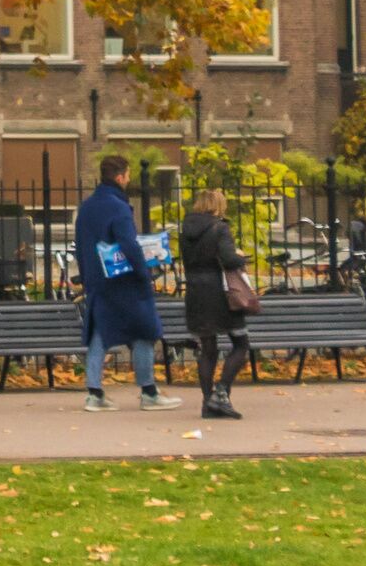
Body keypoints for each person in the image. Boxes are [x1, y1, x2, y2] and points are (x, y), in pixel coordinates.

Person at [73, 152, 167, 411]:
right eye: (127, 175)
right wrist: (143, 273)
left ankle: (94, 392)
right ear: (119, 177)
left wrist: (86, 277)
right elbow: (129, 244)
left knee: (100, 334)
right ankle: (149, 392)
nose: (128, 179)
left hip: (97, 280)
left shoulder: (87, 206)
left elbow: (80, 245)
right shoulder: (119, 207)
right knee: (145, 331)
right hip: (124, 281)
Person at [179, 188, 252, 420]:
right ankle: (221, 393)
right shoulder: (220, 228)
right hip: (220, 295)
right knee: (240, 343)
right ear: (217, 206)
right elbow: (229, 259)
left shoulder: (185, 231)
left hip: (195, 293)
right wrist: (241, 256)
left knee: (208, 349)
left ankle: (207, 402)